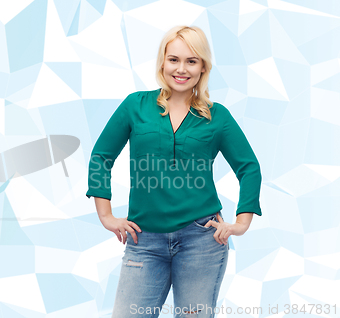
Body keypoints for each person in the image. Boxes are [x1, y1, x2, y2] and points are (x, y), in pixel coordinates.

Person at [86, 25, 262, 318]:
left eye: (191, 61)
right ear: (162, 62)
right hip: (144, 240)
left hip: (202, 241)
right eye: (174, 59)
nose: (181, 69)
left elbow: (249, 168)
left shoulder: (216, 116)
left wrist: (240, 223)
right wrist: (105, 215)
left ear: (203, 66)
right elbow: (101, 157)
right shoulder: (135, 105)